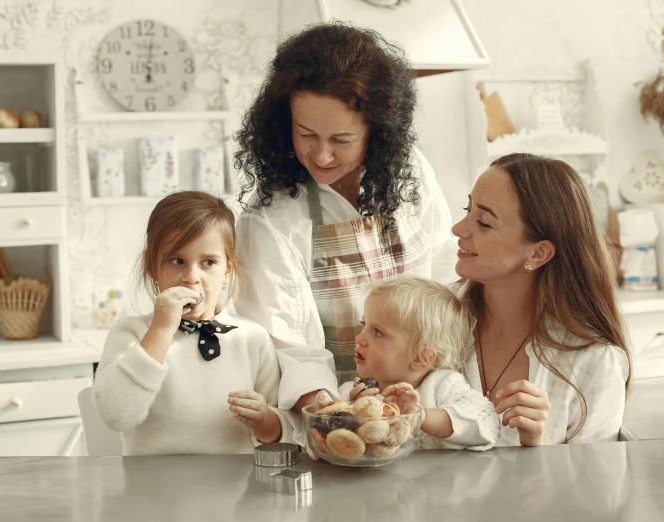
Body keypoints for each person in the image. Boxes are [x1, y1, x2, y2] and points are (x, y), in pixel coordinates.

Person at [233, 23, 455, 430]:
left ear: (377, 131)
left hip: (432, 406)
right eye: (306, 134)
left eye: (341, 139)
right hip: (337, 420)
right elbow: (293, 349)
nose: (320, 155)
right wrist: (341, 416)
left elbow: (443, 282)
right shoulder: (271, 220)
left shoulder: (412, 177)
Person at [93, 191, 294, 455]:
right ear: (153, 268)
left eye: (208, 262)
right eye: (177, 261)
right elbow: (116, 415)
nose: (191, 277)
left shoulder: (252, 339)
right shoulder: (131, 333)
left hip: (236, 491)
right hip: (151, 492)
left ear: (227, 271)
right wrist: (161, 330)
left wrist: (264, 418)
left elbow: (282, 436)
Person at [452, 153, 633, 446]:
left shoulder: (594, 362)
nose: (458, 228)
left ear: (537, 254)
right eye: (467, 209)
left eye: (483, 222)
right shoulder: (431, 319)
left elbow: (599, 486)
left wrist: (542, 445)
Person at [339, 277, 500, 451]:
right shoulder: (350, 393)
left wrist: (419, 415)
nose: (359, 338)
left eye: (378, 332)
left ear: (420, 358)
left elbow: (486, 424)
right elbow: (333, 441)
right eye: (364, 325)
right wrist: (354, 416)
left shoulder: (442, 385)